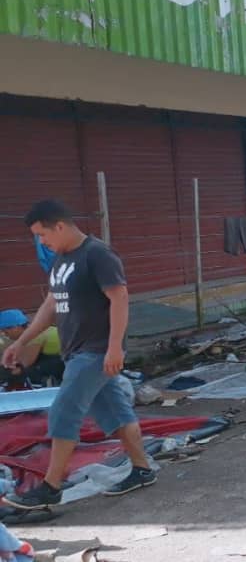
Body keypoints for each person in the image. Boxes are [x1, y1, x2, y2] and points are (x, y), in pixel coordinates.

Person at [2, 200, 156, 511]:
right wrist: (21, 342)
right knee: (115, 413)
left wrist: (115, 347)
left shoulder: (97, 254)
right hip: (77, 352)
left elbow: (120, 297)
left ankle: (50, 487)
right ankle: (142, 469)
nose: (41, 242)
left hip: (96, 351)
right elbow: (51, 307)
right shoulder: (61, 261)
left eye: (42, 235)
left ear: (59, 226)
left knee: (63, 411)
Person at [0, 309, 63, 390]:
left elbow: (25, 363)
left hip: (66, 362)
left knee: (22, 371)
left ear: (15, 327)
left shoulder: (34, 335)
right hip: (61, 360)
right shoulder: (33, 332)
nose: (5, 335)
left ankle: (41, 387)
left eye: (6, 332)